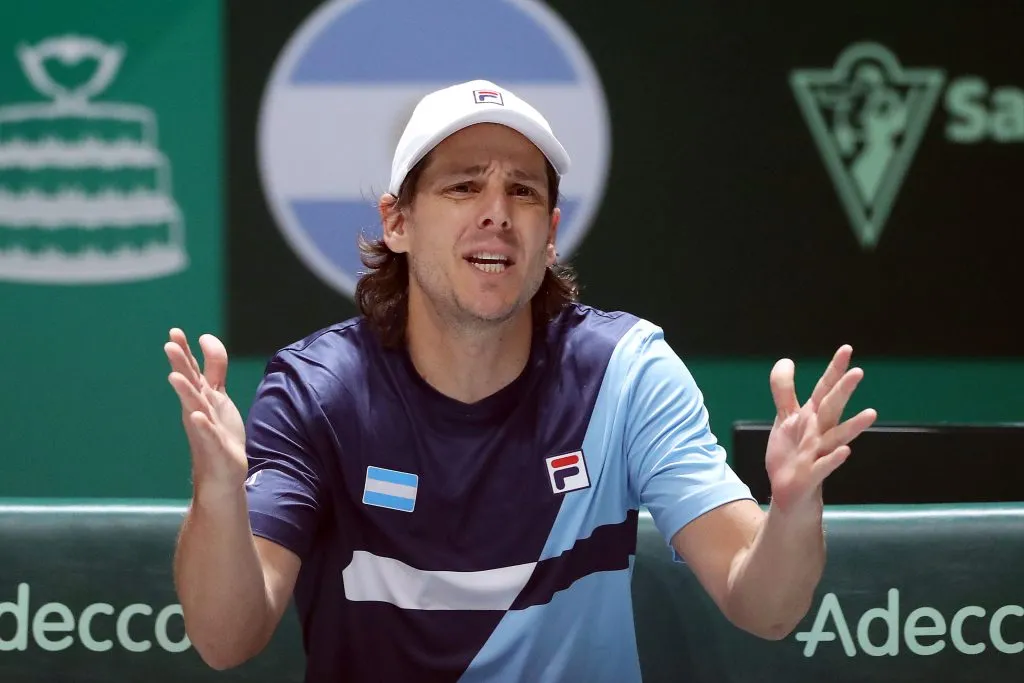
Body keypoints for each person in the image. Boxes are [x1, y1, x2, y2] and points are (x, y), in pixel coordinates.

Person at [164, 79, 877, 682]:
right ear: (398, 221)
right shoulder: (320, 391)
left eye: (523, 192)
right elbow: (226, 639)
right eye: (464, 185)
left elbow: (764, 606)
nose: (497, 213)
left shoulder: (626, 374)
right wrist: (218, 493)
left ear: (551, 232)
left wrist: (791, 510)